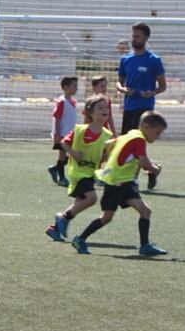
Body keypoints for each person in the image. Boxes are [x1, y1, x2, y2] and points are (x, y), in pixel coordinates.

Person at [70, 111, 167, 257]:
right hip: (120, 183)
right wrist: (155, 169)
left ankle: (81, 239)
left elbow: (108, 144)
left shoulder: (130, 134)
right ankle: (144, 246)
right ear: (146, 127)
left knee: (114, 216)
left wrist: (109, 161)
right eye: (157, 132)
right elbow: (144, 162)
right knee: (135, 213)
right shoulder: (139, 139)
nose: (158, 136)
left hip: (117, 180)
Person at [45, 95, 112, 242]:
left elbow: (106, 154)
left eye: (106, 107)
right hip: (78, 172)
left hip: (90, 173)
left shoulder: (107, 135)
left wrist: (106, 163)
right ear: (90, 112)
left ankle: (54, 229)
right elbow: (64, 142)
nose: (104, 110)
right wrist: (74, 153)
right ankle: (63, 218)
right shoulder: (80, 130)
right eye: (100, 108)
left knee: (79, 203)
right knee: (91, 198)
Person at [118, 21, 166, 189]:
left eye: (137, 36)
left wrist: (151, 92)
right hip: (129, 107)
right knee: (126, 144)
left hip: (145, 109)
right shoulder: (125, 59)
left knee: (137, 144)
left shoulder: (154, 60)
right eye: (133, 35)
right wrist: (124, 90)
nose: (134, 39)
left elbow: (162, 86)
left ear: (145, 38)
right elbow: (119, 84)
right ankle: (154, 170)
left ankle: (133, 180)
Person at [48, 75, 80, 185]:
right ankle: (62, 178)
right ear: (66, 87)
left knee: (71, 155)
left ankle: (55, 168)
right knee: (62, 155)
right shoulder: (61, 102)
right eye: (74, 86)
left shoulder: (73, 101)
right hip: (61, 134)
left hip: (70, 133)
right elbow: (57, 117)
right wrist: (57, 134)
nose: (77, 88)